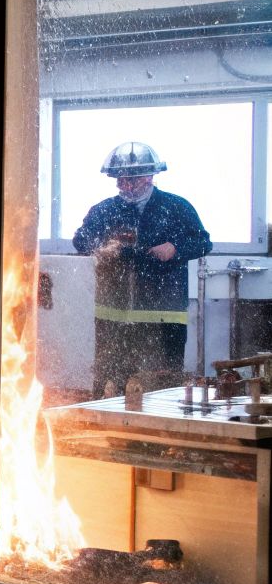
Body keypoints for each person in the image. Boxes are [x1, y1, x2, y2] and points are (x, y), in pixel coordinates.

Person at [72, 141, 211, 396]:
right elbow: (81, 240)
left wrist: (175, 248)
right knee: (110, 384)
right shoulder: (104, 210)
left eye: (131, 180)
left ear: (149, 176)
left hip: (164, 318)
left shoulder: (176, 207)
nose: (124, 186)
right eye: (120, 180)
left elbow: (203, 242)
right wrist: (101, 247)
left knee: (163, 386)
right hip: (114, 317)